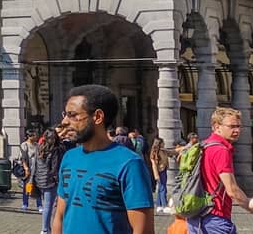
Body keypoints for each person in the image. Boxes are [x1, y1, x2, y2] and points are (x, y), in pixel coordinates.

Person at [52, 84, 153, 234]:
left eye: (73, 115)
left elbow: (143, 229)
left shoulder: (129, 164)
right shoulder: (69, 157)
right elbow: (60, 216)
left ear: (98, 117)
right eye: (65, 115)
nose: (65, 122)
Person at [194, 106, 253, 234]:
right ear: (216, 126)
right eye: (232, 126)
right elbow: (233, 191)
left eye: (239, 126)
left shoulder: (205, 145)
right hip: (215, 216)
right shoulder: (221, 150)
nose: (237, 130)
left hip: (198, 216)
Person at [36, 128, 64, 234]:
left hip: (41, 180)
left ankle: (46, 228)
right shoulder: (56, 149)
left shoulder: (39, 147)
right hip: (51, 181)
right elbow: (55, 167)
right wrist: (57, 180)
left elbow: (35, 164)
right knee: (49, 205)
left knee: (46, 204)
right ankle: (45, 229)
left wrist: (33, 178)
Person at [18, 130, 40, 212]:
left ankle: (39, 205)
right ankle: (25, 203)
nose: (36, 137)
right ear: (29, 136)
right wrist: (26, 168)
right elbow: (23, 158)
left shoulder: (37, 145)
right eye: (34, 135)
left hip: (36, 168)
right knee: (27, 187)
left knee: (37, 187)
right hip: (29, 168)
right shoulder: (24, 145)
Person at [148, 137, 169, 212]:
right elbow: (154, 165)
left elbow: (172, 152)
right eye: (163, 142)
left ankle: (158, 205)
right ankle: (164, 205)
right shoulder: (155, 153)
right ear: (159, 144)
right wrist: (156, 175)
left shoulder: (163, 151)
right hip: (160, 171)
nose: (164, 144)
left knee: (161, 188)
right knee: (163, 188)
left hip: (164, 170)